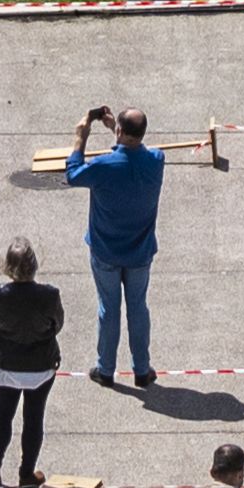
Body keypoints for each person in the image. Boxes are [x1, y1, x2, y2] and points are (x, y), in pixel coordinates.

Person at [74, 104, 173, 383]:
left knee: (109, 308)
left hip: (106, 251)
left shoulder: (103, 167)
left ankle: (106, 369)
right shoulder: (156, 160)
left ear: (119, 130)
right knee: (138, 308)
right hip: (140, 252)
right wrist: (116, 132)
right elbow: (133, 155)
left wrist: (81, 136)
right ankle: (142, 369)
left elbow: (73, 173)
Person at [0, 240, 64, 487]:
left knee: (2, 416)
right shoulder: (50, 294)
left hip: (8, 365)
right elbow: (57, 324)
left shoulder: (0, 294)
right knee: (34, 418)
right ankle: (27, 474)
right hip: (41, 366)